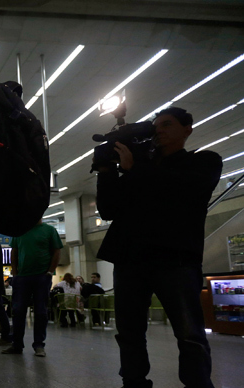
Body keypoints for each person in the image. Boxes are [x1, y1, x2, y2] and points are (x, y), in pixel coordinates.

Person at [96, 107, 222, 388]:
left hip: (175, 259)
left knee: (190, 334)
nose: (159, 130)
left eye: (167, 124)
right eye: (156, 126)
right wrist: (105, 171)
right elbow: (108, 209)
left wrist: (135, 168)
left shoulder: (204, 161)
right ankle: (133, 381)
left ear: (188, 128)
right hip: (130, 259)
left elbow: (184, 190)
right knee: (129, 332)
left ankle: (198, 383)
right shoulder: (139, 164)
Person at [2, 220, 62, 357]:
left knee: (41, 311)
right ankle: (17, 344)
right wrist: (15, 273)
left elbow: (56, 251)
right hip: (22, 277)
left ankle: (39, 345)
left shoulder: (49, 231)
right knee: (18, 311)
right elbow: (14, 252)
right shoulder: (19, 231)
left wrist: (49, 272)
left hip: (42, 276)